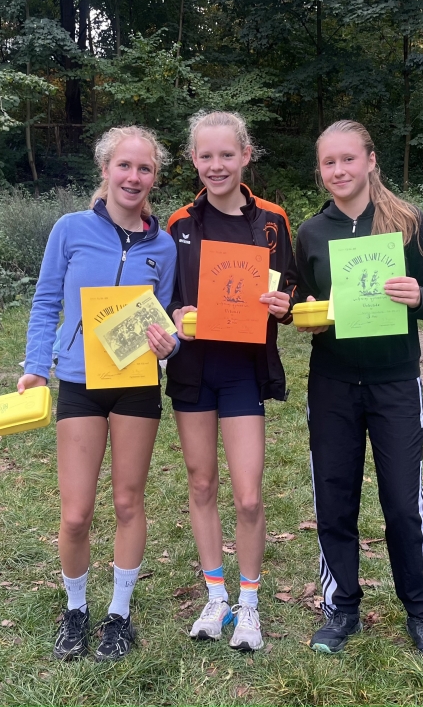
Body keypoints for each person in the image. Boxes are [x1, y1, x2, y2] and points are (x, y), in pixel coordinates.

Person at [291, 119, 423, 660]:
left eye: (348, 159)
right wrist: (305, 316)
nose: (339, 170)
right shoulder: (312, 232)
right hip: (332, 384)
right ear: (320, 169)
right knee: (334, 499)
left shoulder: (406, 222)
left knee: (403, 504)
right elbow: (303, 302)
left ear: (370, 161)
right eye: (329, 162)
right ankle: (342, 608)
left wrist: (417, 296)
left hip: (395, 383)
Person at [18, 125, 178, 662]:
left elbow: (167, 319)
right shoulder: (70, 229)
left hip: (136, 385)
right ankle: (75, 610)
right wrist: (36, 368)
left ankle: (119, 615)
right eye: (124, 166)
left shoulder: (163, 246)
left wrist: (170, 344)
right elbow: (46, 302)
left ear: (155, 177)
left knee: (129, 502)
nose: (134, 176)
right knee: (76, 513)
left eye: (145, 168)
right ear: (105, 169)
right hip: (80, 383)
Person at [166, 110, 296, 652]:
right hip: (194, 372)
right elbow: (164, 296)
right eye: (205, 155)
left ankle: (249, 604)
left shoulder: (272, 220)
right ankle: (216, 596)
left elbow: (290, 293)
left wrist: (284, 305)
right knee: (201, 485)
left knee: (247, 496)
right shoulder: (178, 223)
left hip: (244, 371)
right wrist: (174, 314)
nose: (216, 165)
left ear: (245, 155)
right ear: (193, 159)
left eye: (226, 154)